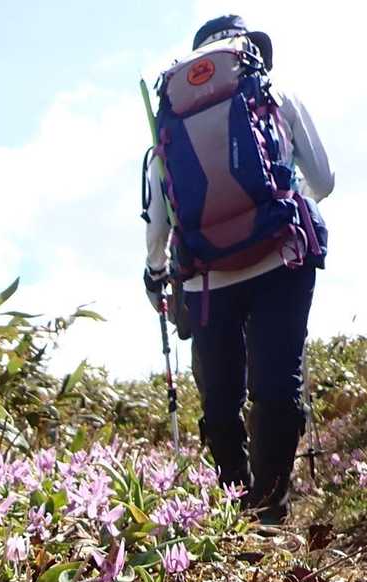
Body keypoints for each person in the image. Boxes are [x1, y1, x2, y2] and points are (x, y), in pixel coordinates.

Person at [143, 15, 334, 524]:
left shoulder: (169, 122)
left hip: (207, 277)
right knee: (276, 384)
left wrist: (156, 272)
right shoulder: (277, 96)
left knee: (221, 398)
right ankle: (270, 509)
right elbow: (324, 181)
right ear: (250, 53)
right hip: (280, 258)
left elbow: (160, 221)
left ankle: (235, 506)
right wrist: (277, 208)